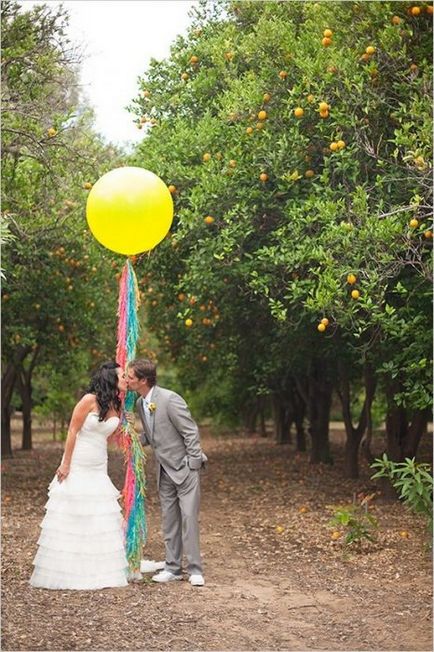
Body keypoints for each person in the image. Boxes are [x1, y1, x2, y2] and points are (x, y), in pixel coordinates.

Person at [30, 361, 129, 590]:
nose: (125, 379)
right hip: (79, 461)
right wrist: (66, 463)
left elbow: (112, 434)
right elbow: (73, 431)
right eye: (122, 375)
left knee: (97, 512)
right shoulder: (88, 400)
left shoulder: (116, 403)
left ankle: (98, 567)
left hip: (98, 464)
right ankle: (69, 567)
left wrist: (126, 426)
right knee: (74, 511)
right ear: (110, 379)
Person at [126, 359, 207, 587]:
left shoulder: (170, 399)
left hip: (185, 469)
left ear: (143, 380)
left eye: (131, 376)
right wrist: (130, 436)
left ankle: (195, 570)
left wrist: (193, 463)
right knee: (169, 520)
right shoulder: (142, 404)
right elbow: (153, 437)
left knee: (189, 518)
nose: (127, 379)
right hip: (163, 471)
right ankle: (173, 568)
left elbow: (190, 432)